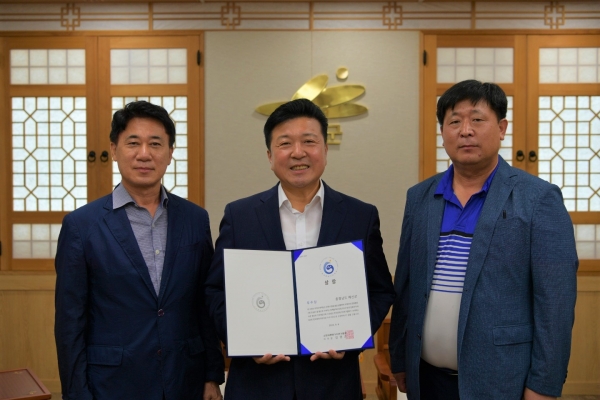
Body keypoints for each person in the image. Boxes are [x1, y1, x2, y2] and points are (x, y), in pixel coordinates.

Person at [388, 80, 578, 400]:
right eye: (454, 121)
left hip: (502, 382)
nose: (466, 131)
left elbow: (555, 305)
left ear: (502, 128)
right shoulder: (419, 197)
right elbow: (406, 286)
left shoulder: (538, 199)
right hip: (426, 378)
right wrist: (399, 357)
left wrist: (543, 385)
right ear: (443, 132)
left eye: (477, 119)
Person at [205, 98, 395, 399]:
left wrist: (351, 338)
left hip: (333, 385)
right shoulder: (240, 216)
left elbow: (380, 290)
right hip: (257, 385)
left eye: (309, 141)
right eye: (285, 143)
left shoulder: (360, 216)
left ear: (325, 150)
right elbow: (215, 290)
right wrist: (244, 340)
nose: (297, 152)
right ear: (270, 156)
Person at [54, 101, 224, 400]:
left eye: (155, 144)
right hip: (112, 384)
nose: (144, 154)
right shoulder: (82, 226)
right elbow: (71, 323)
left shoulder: (195, 219)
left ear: (170, 153)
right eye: (133, 143)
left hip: (185, 379)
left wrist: (212, 375)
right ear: (114, 149)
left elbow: (203, 303)